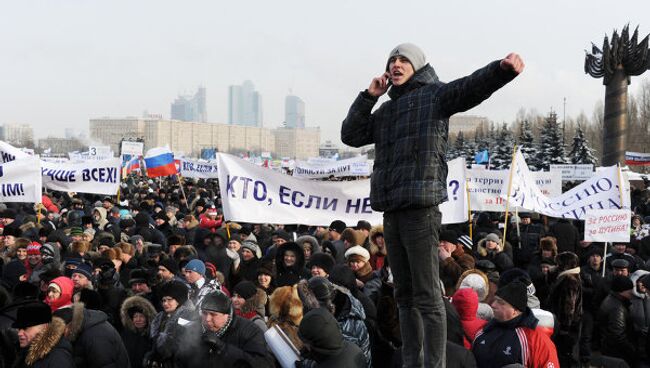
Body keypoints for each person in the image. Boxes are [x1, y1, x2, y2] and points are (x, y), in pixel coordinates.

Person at [342, 43, 523, 367]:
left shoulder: (434, 95)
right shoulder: (385, 112)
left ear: (418, 66)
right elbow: (351, 134)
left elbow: (470, 87)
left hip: (421, 209)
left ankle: (434, 363)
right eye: (392, 60)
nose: (396, 64)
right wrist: (369, 96)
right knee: (404, 296)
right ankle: (413, 361)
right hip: (392, 210)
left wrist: (501, 70)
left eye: (403, 60)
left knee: (427, 296)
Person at [174, 291, 274, 368]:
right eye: (204, 313)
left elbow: (262, 364)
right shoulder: (194, 328)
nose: (207, 319)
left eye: (213, 314)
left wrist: (223, 348)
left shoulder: (249, 330)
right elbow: (181, 360)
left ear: (227, 315)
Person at [471, 281, 559, 367]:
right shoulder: (483, 331)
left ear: (515, 310)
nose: (493, 305)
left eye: (500, 303)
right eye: (495, 300)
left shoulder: (536, 340)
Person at [13, 301, 75, 368]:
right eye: (19, 328)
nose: (19, 333)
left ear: (44, 326)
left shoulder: (58, 358)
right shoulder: (25, 350)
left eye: (25, 328)